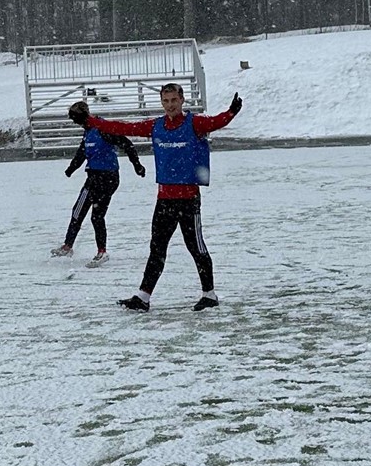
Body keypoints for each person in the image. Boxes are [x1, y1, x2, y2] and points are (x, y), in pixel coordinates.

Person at [69, 84, 243, 311]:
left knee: (196, 246)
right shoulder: (156, 126)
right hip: (164, 200)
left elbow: (215, 122)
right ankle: (143, 297)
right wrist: (92, 121)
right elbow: (123, 127)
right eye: (166, 101)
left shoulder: (194, 123)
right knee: (157, 249)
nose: (170, 105)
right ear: (162, 103)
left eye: (174, 100)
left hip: (188, 199)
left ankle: (209, 294)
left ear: (182, 100)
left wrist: (230, 113)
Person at [51, 101, 146, 268]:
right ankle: (69, 246)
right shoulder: (88, 132)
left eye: (77, 120)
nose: (77, 124)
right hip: (95, 177)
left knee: (94, 215)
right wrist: (71, 169)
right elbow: (81, 153)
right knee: (80, 211)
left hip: (106, 178)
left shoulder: (102, 129)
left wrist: (137, 165)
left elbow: (127, 144)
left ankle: (100, 252)